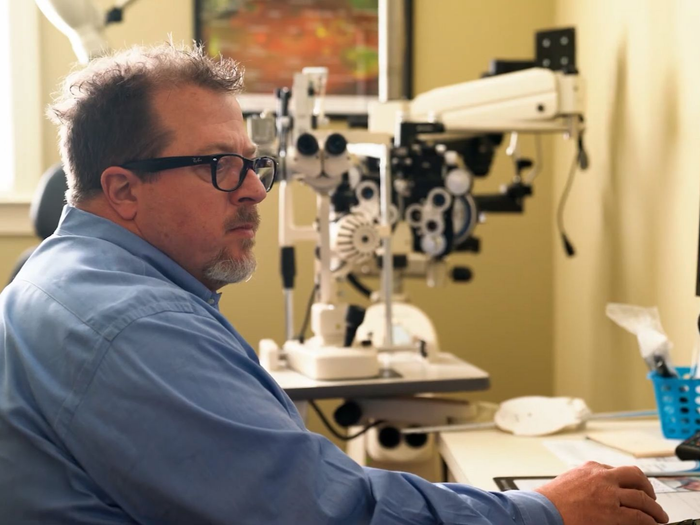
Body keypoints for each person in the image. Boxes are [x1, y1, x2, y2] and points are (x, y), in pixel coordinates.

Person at [0, 43, 669, 525]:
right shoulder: (131, 322)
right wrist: (543, 511)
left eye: (253, 162)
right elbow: (320, 510)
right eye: (220, 166)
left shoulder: (57, 276)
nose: (257, 189)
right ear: (122, 189)